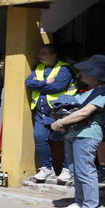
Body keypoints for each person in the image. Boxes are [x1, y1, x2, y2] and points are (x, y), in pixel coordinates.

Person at [52, 55, 105, 208]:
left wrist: (59, 123)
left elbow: (84, 112)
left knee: (85, 170)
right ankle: (80, 203)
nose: (80, 73)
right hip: (74, 134)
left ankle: (90, 207)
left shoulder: (103, 90)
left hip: (87, 135)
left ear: (94, 74)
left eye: (84, 71)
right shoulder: (86, 90)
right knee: (76, 170)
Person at [26, 43, 75, 184]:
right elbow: (28, 83)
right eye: (40, 52)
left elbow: (58, 86)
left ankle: (68, 169)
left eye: (43, 53)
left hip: (61, 113)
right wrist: (46, 82)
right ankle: (46, 168)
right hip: (41, 112)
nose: (39, 55)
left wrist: (39, 84)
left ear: (54, 55)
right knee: (39, 137)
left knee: (67, 141)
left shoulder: (64, 68)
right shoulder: (39, 67)